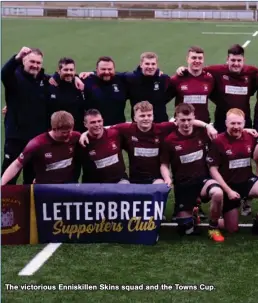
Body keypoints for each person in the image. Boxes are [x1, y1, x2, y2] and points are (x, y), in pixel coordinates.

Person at [80, 101, 217, 185]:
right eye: (142, 116)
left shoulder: (162, 128)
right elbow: (104, 128)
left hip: (155, 177)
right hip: (135, 178)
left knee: (160, 187)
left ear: (153, 116)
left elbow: (187, 121)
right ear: (135, 117)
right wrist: (85, 133)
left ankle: (158, 214)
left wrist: (207, 126)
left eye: (149, 115)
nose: (146, 118)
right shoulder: (126, 129)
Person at [160, 103, 225, 241]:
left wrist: (248, 130)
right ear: (176, 120)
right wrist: (167, 178)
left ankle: (213, 228)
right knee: (186, 230)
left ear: (194, 118)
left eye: (189, 119)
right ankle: (192, 211)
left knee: (218, 193)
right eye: (182, 120)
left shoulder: (202, 133)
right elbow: (164, 164)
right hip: (183, 185)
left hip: (202, 181)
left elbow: (226, 136)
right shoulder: (169, 140)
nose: (186, 123)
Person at [177, 44, 258, 132]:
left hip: (244, 122)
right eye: (233, 60)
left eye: (239, 60)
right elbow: (197, 69)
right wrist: (183, 69)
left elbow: (252, 90)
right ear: (227, 60)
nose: (236, 63)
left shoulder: (252, 72)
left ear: (243, 60)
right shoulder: (217, 71)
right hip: (221, 123)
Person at [79, 52, 175, 123]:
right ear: (141, 64)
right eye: (147, 64)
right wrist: (92, 73)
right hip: (138, 124)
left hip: (160, 123)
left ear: (157, 65)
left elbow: (170, 93)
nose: (150, 66)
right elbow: (112, 74)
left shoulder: (163, 78)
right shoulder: (130, 78)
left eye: (153, 64)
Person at [1, 46, 51, 184]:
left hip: (37, 138)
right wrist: (17, 57)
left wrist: (79, 77)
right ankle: (5, 204)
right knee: (9, 175)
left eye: (38, 63)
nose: (35, 66)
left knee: (32, 177)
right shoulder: (15, 78)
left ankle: (28, 205)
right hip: (16, 137)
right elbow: (4, 73)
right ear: (24, 61)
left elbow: (64, 78)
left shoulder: (45, 80)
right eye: (32, 62)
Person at [207, 108, 258, 233]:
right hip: (228, 186)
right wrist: (228, 191)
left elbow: (256, 156)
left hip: (246, 181)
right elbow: (213, 170)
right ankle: (214, 220)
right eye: (232, 123)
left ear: (244, 123)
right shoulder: (218, 141)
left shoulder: (250, 137)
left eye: (239, 123)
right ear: (226, 123)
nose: (236, 126)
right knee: (232, 229)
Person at [1, 111, 81, 185]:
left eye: (70, 130)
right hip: (44, 189)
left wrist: (85, 134)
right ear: (54, 129)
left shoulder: (75, 137)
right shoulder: (37, 144)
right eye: (64, 132)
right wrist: (2, 184)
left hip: (68, 188)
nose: (69, 134)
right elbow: (17, 165)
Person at [80, 109, 129, 184]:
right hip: (96, 184)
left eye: (99, 121)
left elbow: (135, 124)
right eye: (93, 122)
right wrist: (84, 134)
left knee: (126, 186)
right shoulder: (82, 141)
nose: (97, 125)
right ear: (85, 124)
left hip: (119, 180)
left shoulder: (115, 133)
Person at [170, 46, 215, 123]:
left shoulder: (209, 79)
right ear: (187, 59)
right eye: (194, 58)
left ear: (203, 60)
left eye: (200, 58)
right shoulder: (177, 79)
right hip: (183, 125)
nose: (197, 61)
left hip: (203, 125)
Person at [48, 57, 85, 132]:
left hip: (77, 131)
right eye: (65, 70)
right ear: (59, 71)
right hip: (57, 132)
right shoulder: (51, 85)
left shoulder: (79, 86)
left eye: (71, 70)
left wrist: (77, 77)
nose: (69, 72)